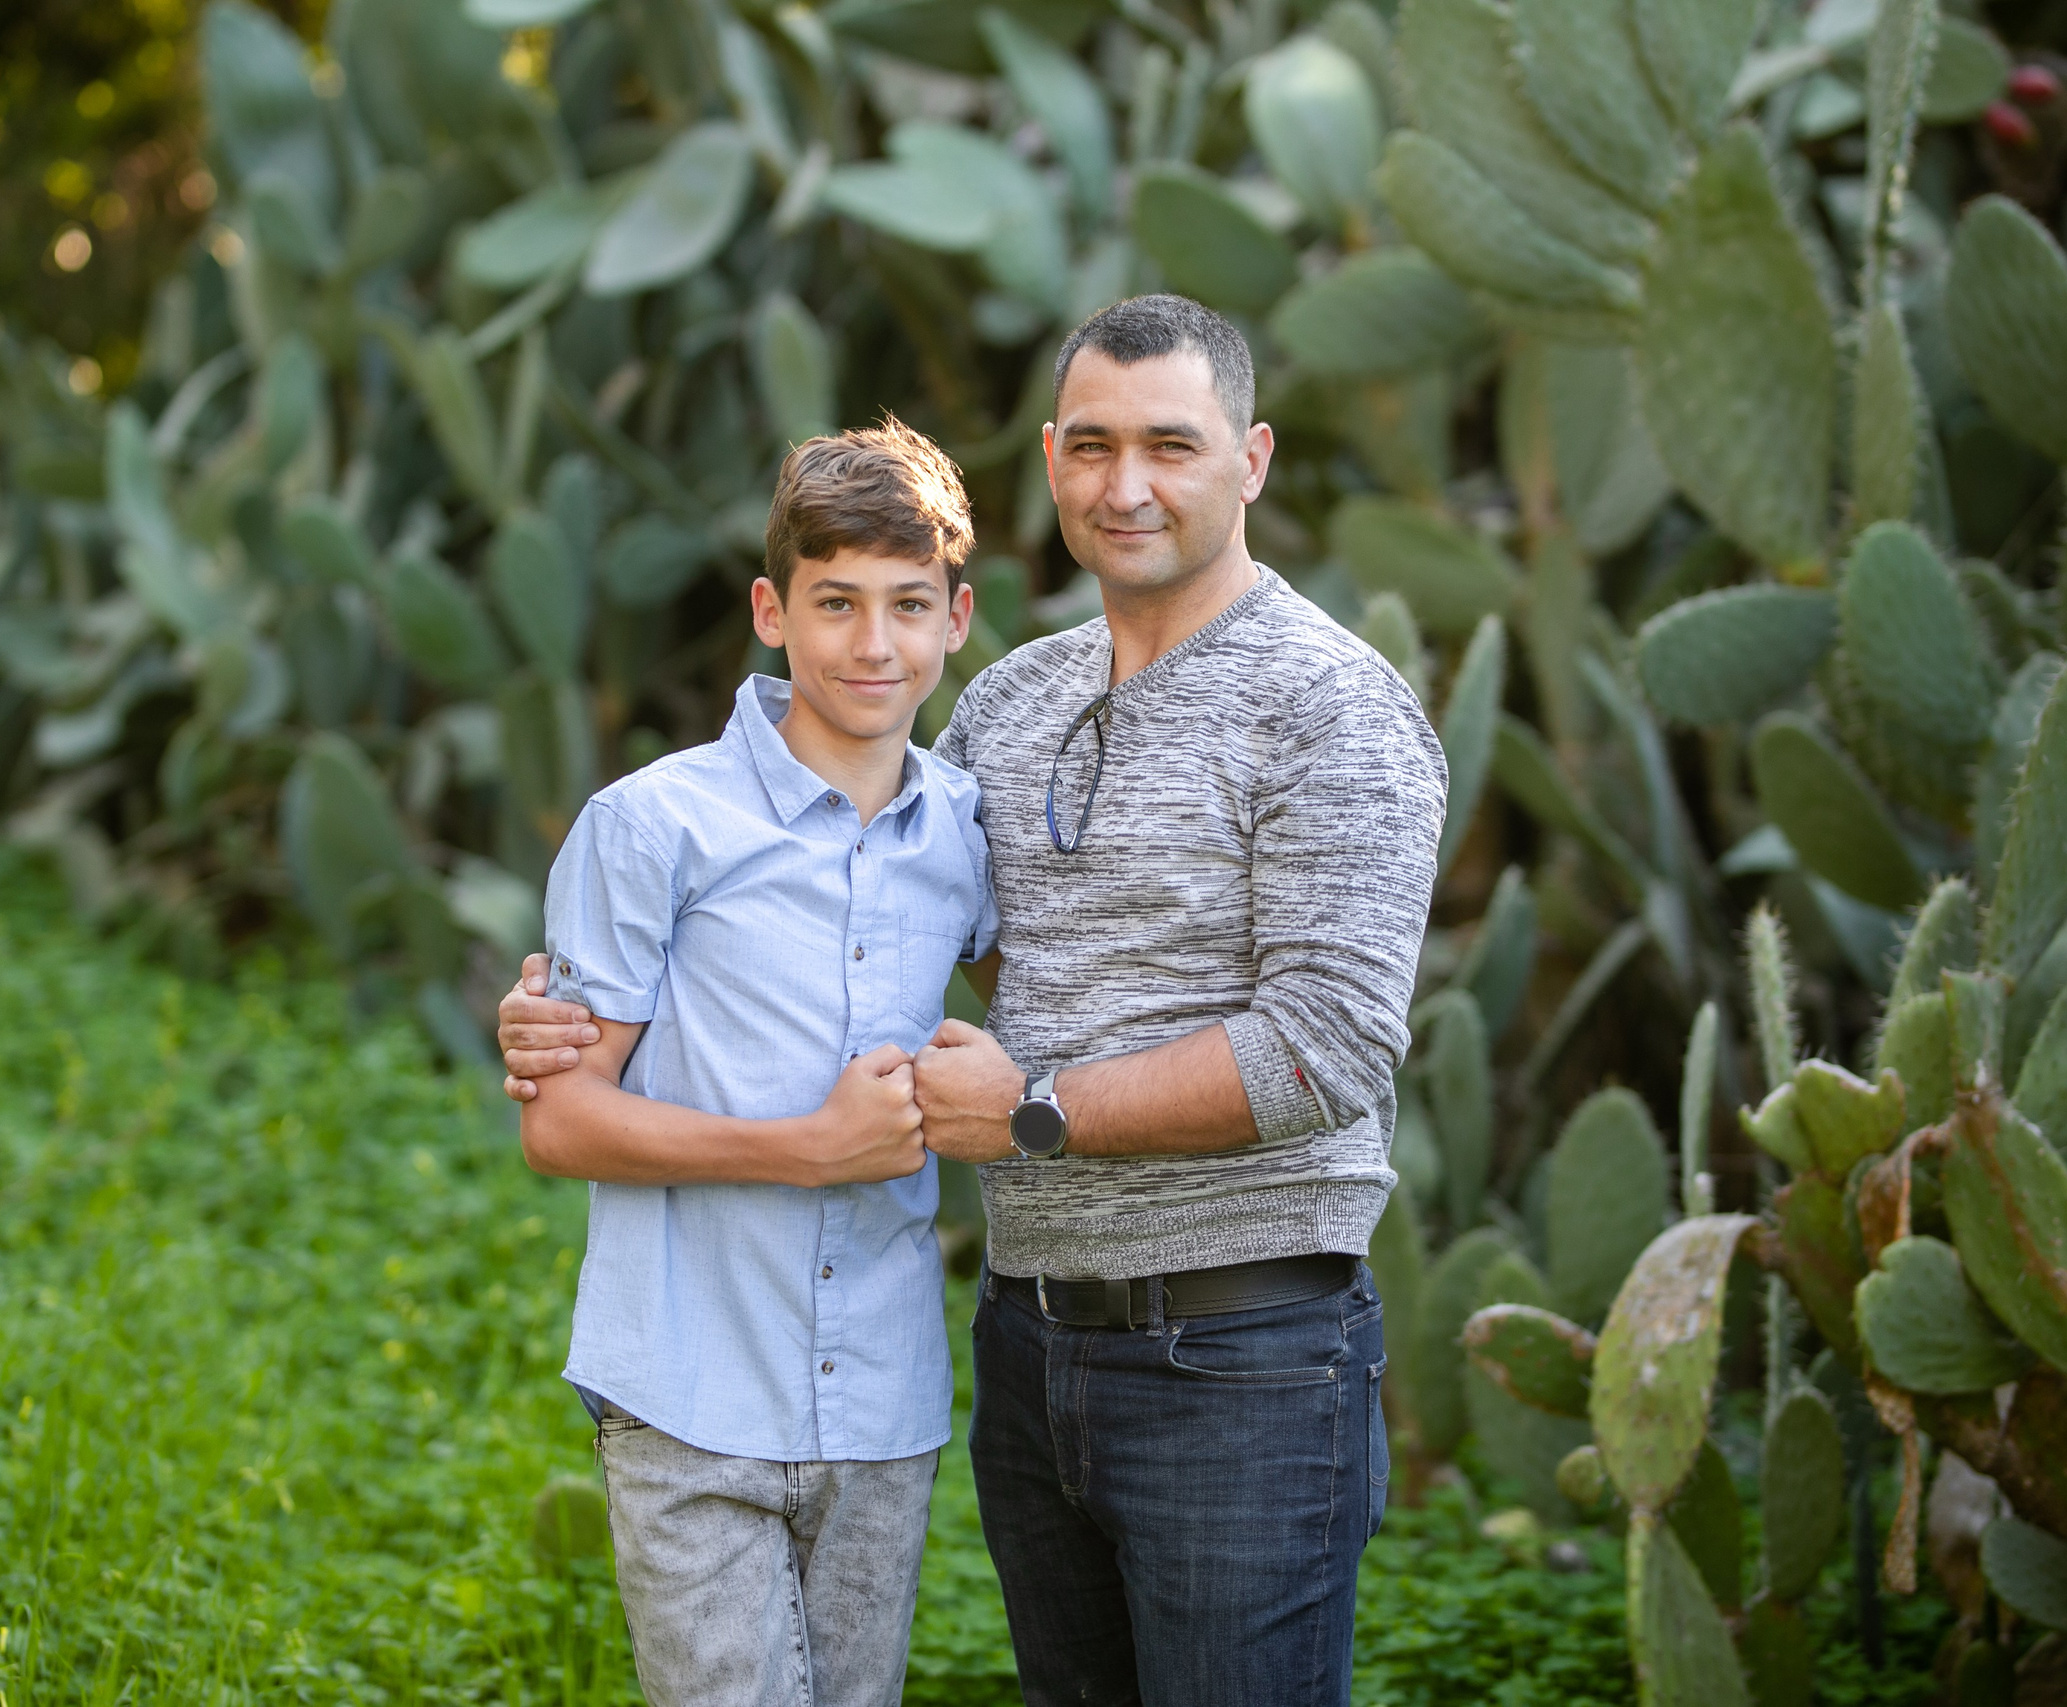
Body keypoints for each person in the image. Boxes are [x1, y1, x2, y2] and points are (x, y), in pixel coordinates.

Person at [506, 295, 1445, 1706]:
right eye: (1093, 445)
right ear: (1051, 461)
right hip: (1031, 1345)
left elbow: (1332, 1045)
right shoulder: (1006, 707)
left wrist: (1035, 1112)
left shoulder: (1333, 707)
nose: (1127, 486)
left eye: (1172, 445)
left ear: (1250, 461)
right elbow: (917, 933)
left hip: (1241, 1355)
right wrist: (563, 1007)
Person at [513, 418, 996, 1707]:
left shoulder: (966, 832)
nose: (874, 642)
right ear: (772, 612)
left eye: (908, 605)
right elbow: (559, 1124)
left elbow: (1049, 1015)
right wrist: (806, 1151)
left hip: (882, 1402)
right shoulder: (651, 825)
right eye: (836, 602)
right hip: (690, 1389)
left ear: (956, 618)